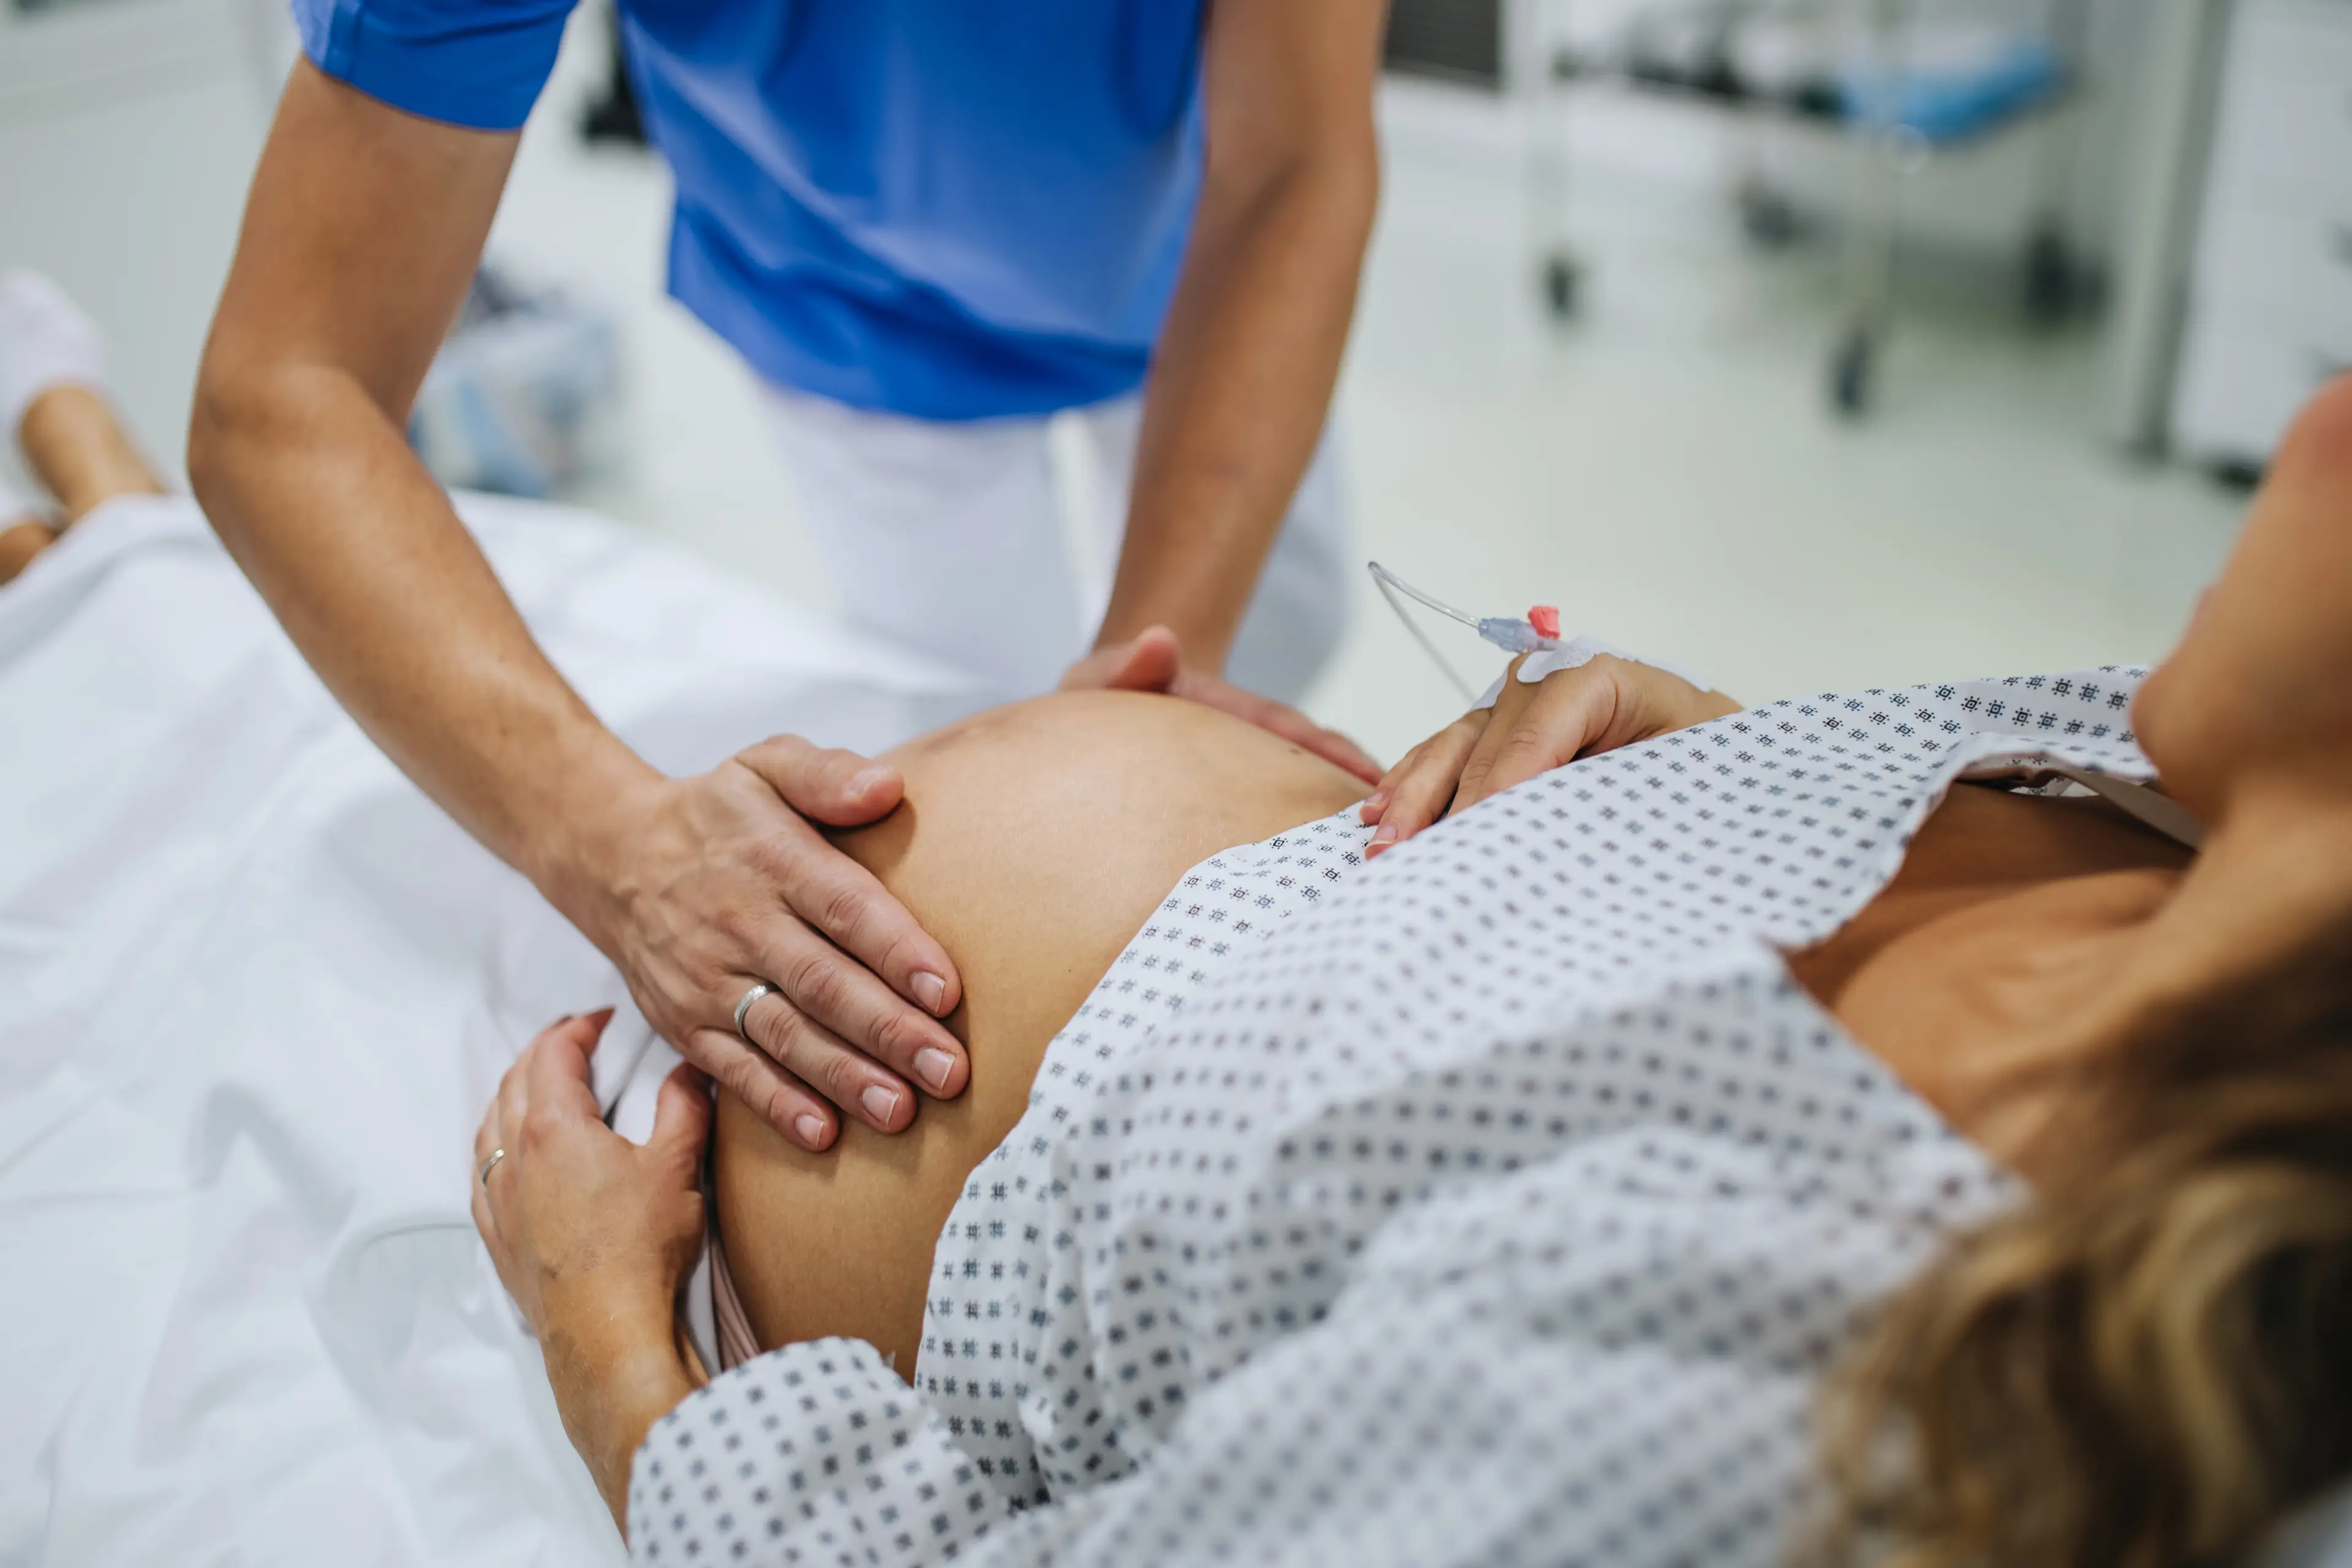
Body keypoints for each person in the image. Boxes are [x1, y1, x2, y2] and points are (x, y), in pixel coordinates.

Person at [473, 373, 2352, 1566]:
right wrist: (1724, 758)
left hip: (699, 1192)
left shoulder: (1867, 1400)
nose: (2320, 426)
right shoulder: (2146, 789)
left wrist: (616, 1369)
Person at [187, 0, 1387, 1157]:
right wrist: (616, 844)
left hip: (1204, 246)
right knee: (980, 720)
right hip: (851, 298)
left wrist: (1149, 679)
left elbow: (1291, 160)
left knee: (1271, 635)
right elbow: (287, 392)